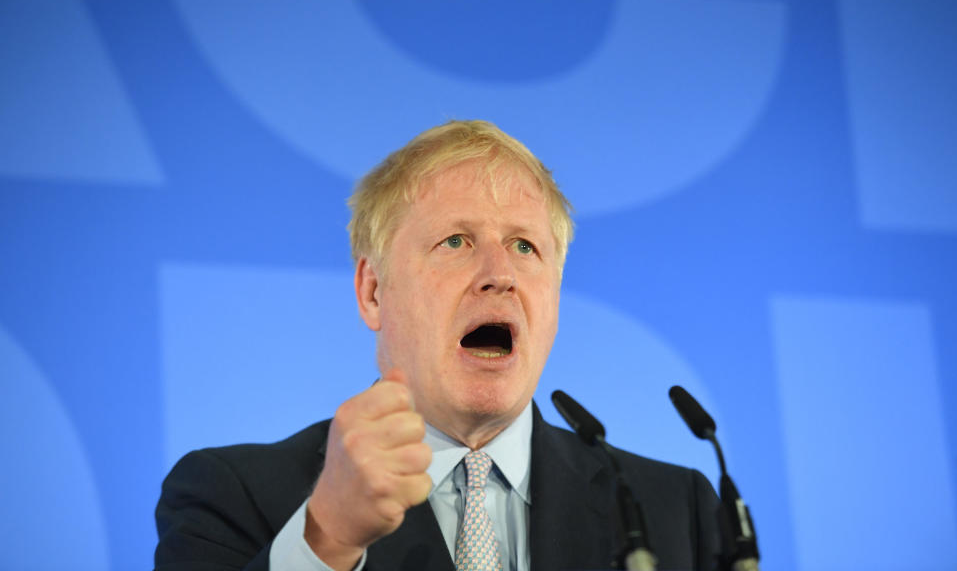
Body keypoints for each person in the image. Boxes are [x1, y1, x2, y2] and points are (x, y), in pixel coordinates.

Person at [155, 120, 720, 571]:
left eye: (525, 246)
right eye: (456, 241)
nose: (499, 274)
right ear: (373, 291)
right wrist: (327, 539)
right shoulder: (232, 496)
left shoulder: (676, 511)